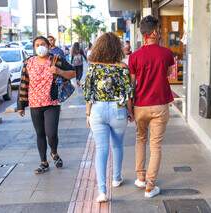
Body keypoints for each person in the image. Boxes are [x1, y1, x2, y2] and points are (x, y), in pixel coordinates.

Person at [83, 32, 134, 203]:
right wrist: (131, 112)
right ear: (116, 48)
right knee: (117, 145)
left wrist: (87, 114)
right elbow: (128, 94)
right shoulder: (122, 68)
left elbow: (88, 94)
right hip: (118, 110)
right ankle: (117, 178)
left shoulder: (92, 68)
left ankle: (102, 191)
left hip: (97, 110)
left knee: (101, 149)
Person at [128, 15, 175, 198]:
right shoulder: (166, 53)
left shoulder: (134, 56)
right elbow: (170, 73)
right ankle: (150, 186)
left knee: (140, 140)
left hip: (140, 105)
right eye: (159, 30)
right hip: (160, 105)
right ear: (154, 32)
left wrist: (130, 108)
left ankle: (140, 177)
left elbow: (132, 85)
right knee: (155, 146)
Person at [17, 36, 76, 174]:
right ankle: (43, 162)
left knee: (51, 133)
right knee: (40, 134)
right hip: (35, 103)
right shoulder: (28, 62)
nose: (40, 47)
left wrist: (59, 71)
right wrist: (21, 105)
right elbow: (24, 83)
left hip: (52, 103)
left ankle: (54, 152)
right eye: (37, 45)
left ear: (48, 46)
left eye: (43, 44)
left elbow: (73, 73)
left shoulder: (56, 60)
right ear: (34, 47)